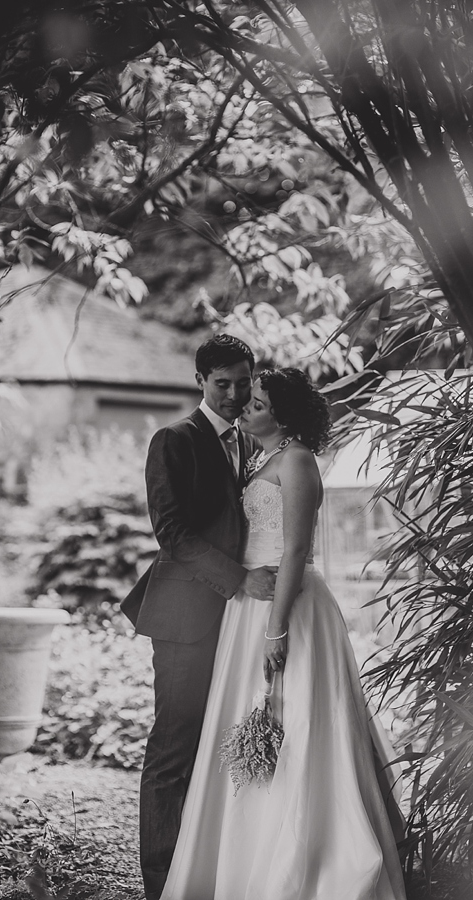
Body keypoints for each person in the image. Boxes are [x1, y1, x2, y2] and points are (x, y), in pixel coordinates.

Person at [162, 367, 407, 900]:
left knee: (296, 722)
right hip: (250, 604)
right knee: (250, 718)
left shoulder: (297, 462)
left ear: (285, 414)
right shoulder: (264, 460)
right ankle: (241, 856)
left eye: (259, 400)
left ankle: (308, 859)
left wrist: (275, 630)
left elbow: (295, 549)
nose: (247, 405)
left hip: (287, 608)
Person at [120, 334, 277, 900]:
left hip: (240, 623)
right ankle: (161, 885)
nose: (234, 394)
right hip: (188, 617)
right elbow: (173, 533)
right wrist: (240, 580)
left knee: (222, 744)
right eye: (222, 384)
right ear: (200, 382)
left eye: (242, 382)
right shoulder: (175, 440)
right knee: (173, 750)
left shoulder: (252, 442)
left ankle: (206, 871)